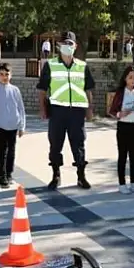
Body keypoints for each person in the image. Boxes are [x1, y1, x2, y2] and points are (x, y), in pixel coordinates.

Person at [37, 31, 95, 191]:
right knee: (55, 144)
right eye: (64, 44)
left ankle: (81, 176)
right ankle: (56, 175)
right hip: (57, 111)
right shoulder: (50, 65)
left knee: (79, 144)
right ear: (59, 46)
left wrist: (90, 110)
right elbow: (42, 90)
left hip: (77, 112)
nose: (67, 47)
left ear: (75, 46)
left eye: (70, 44)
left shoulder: (82, 66)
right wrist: (42, 109)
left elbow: (88, 90)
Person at [0, 63, 26, 188]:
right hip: (0, 125)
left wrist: (22, 126)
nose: (4, 77)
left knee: (11, 150)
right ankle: (0, 175)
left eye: (7, 74)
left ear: (11, 75)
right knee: (2, 149)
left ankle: (9, 173)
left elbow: (20, 108)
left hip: (13, 124)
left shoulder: (15, 90)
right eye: (2, 74)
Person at [108, 65, 134, 194]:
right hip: (123, 126)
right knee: (123, 155)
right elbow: (112, 110)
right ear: (125, 79)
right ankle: (122, 183)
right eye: (130, 77)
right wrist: (120, 114)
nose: (133, 80)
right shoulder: (120, 93)